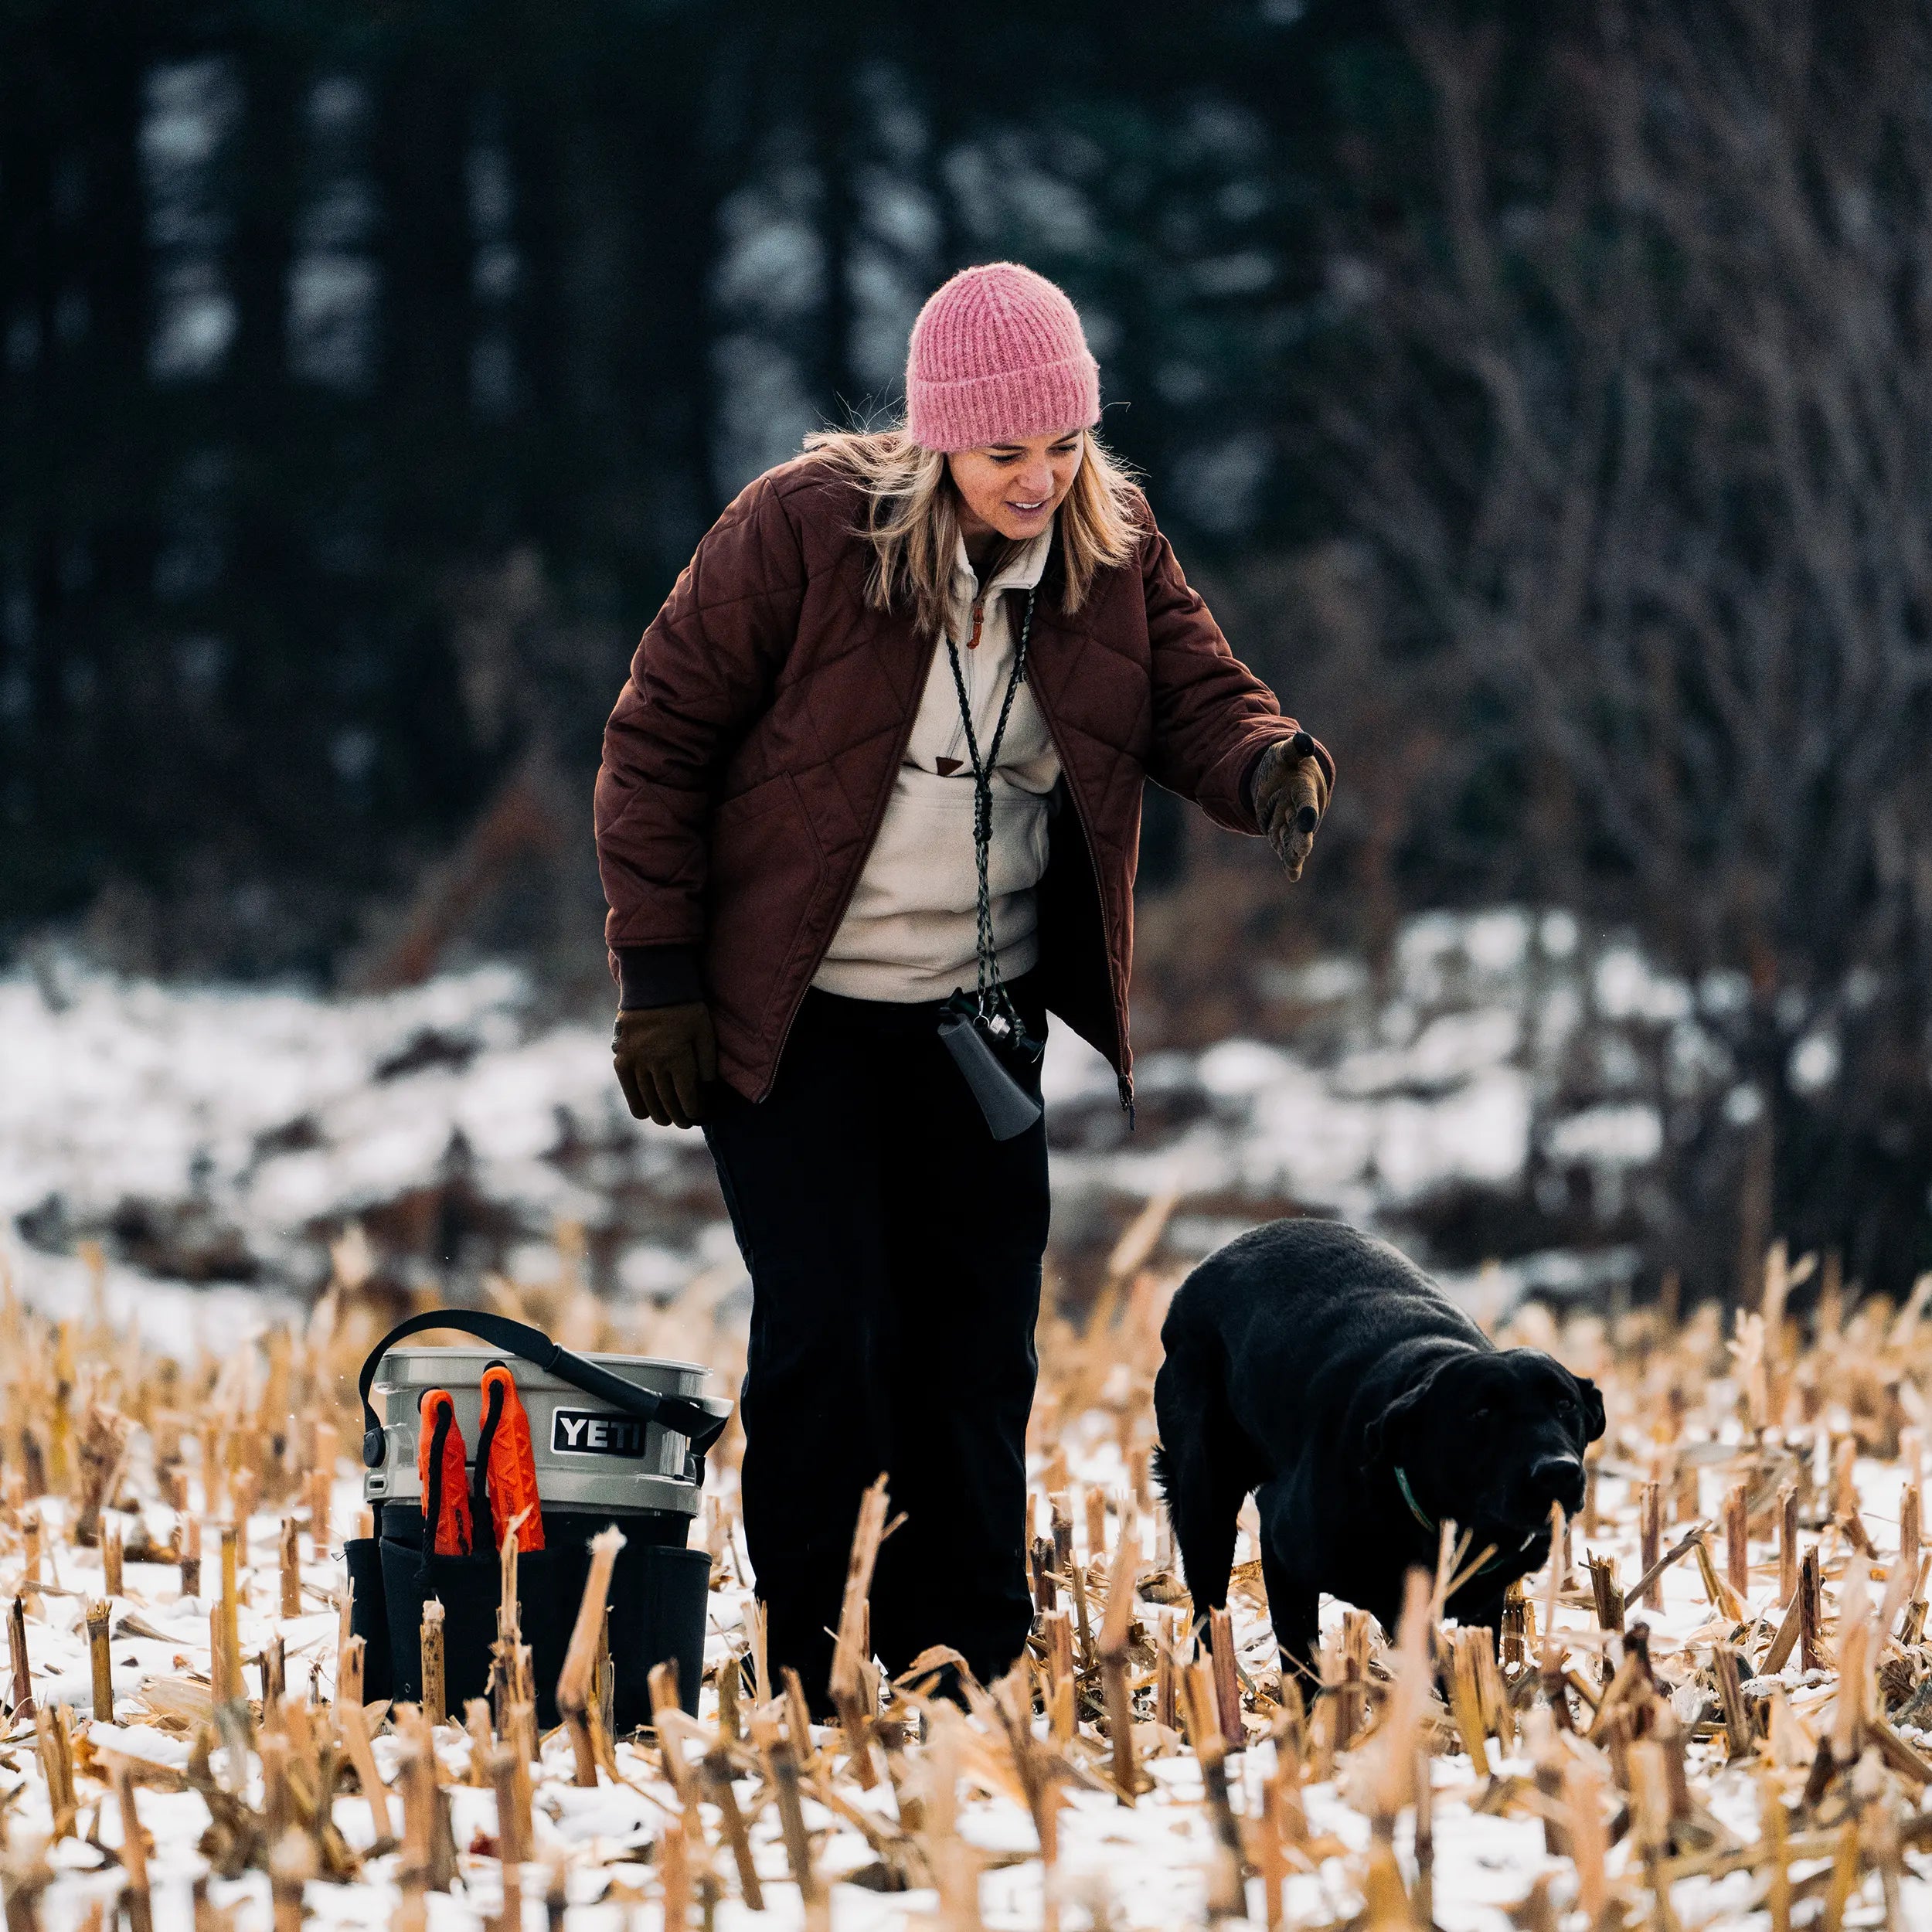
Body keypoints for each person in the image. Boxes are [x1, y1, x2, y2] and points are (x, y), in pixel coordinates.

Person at [594, 260, 1334, 1710]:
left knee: (976, 1349)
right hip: (794, 1018)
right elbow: (656, 741)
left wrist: (1267, 765)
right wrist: (659, 977)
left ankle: (969, 1661)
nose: (1043, 479)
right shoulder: (801, 535)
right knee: (834, 1339)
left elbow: (1192, 690)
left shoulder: (1110, 551)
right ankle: (814, 1663)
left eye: (1066, 445)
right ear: (939, 440)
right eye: (1008, 453)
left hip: (975, 1019)